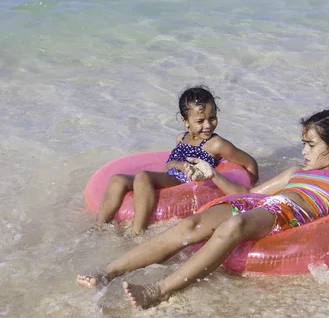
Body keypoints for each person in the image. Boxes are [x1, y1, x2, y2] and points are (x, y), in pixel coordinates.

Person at [78, 109, 329, 306]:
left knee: (233, 228)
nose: (304, 151)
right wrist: (213, 174)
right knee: (191, 226)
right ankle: (108, 272)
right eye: (303, 144)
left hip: (287, 213)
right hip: (258, 204)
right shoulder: (295, 172)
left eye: (311, 145)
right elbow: (250, 193)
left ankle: (159, 291)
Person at [92, 85, 258, 234]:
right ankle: (98, 227)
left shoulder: (216, 144)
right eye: (200, 121)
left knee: (143, 176)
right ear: (185, 121)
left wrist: (250, 186)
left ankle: (137, 231)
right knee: (117, 179)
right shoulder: (181, 138)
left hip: (184, 183)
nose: (208, 125)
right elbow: (171, 164)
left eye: (212, 117)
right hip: (171, 177)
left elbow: (249, 162)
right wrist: (174, 164)